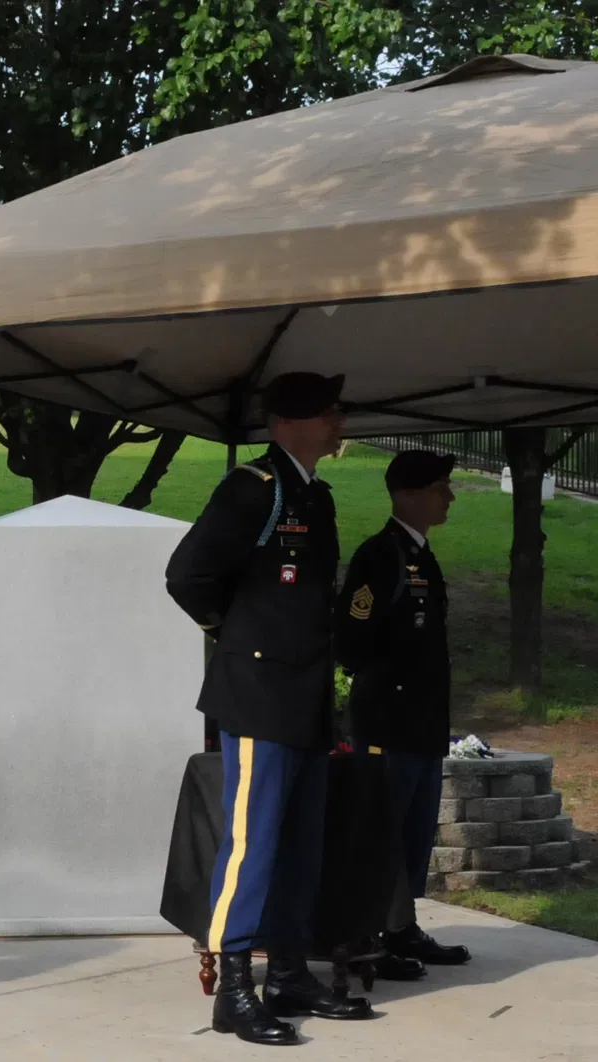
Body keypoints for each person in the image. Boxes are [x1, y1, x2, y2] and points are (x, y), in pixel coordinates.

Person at [166, 371, 375, 1046]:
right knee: (251, 841)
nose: (341, 422)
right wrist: (238, 635)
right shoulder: (251, 489)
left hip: (306, 694)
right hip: (259, 692)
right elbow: (187, 573)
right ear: (295, 419)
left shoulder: (314, 494)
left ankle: (288, 971)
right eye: (331, 412)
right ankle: (234, 988)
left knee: (299, 840)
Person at [335, 450, 472, 974]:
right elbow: (352, 636)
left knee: (413, 834)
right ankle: (371, 935)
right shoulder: (380, 555)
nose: (451, 497)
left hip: (421, 724)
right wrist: (390, 686)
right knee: (383, 833)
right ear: (410, 494)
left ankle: (400, 928)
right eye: (441, 486)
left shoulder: (422, 556)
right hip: (388, 725)